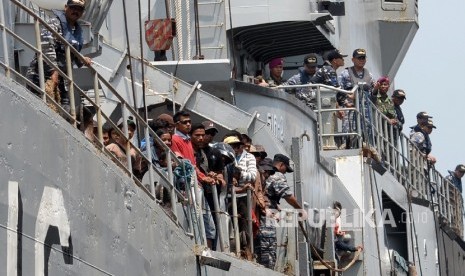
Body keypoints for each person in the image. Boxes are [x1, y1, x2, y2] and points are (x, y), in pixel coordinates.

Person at [26, 0, 92, 113]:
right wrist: (53, 70)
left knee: (63, 112)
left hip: (63, 82)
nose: (75, 11)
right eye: (73, 8)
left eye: (79, 9)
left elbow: (72, 52)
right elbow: (46, 45)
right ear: (66, 7)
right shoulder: (54, 23)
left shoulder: (77, 31)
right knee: (36, 109)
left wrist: (82, 59)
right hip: (41, 77)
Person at [258, 154, 306, 269]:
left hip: (260, 212)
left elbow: (267, 194)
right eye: (285, 169)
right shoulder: (277, 175)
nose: (284, 173)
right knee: (268, 248)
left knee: (259, 248)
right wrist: (300, 209)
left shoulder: (264, 172)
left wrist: (277, 206)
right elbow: (287, 195)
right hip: (265, 217)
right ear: (281, 165)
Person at [338, 49, 376, 148]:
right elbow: (338, 90)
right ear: (353, 59)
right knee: (348, 132)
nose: (361, 60)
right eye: (359, 58)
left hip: (365, 110)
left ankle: (366, 150)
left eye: (363, 58)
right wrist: (346, 100)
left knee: (366, 132)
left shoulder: (369, 75)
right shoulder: (345, 73)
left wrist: (376, 89)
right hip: (350, 108)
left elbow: (373, 94)